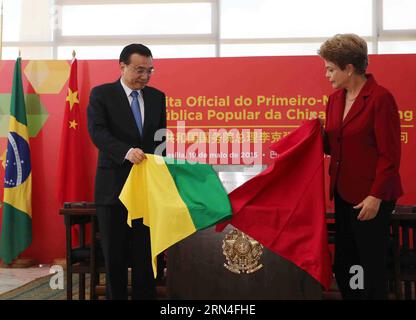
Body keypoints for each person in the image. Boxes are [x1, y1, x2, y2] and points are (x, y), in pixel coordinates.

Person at [318, 34, 403, 300]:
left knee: (370, 265)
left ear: (349, 68)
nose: (327, 75)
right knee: (346, 265)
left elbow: (389, 155)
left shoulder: (380, 99)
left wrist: (375, 197)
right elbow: (334, 146)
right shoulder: (334, 100)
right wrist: (314, 135)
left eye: (331, 69)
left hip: (371, 198)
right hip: (344, 194)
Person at [87, 43, 166, 300]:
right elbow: (97, 132)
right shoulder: (102, 94)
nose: (145, 76)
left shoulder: (157, 97)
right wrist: (125, 151)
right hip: (114, 190)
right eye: (139, 70)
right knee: (116, 257)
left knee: (147, 257)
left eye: (150, 70)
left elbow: (160, 140)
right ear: (122, 66)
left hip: (147, 192)